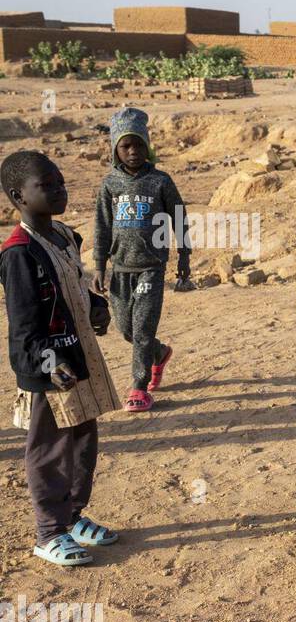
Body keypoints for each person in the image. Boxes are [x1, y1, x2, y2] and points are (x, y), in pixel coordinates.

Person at [2, 151, 121, 566]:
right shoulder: (19, 254)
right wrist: (46, 363)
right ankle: (49, 532)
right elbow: (22, 326)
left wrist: (94, 305)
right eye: (46, 186)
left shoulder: (65, 236)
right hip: (51, 369)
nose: (59, 190)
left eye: (61, 182)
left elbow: (72, 282)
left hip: (79, 356)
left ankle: (73, 518)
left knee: (83, 443)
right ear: (19, 196)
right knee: (50, 451)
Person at [92, 107, 190, 414]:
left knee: (143, 328)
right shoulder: (109, 185)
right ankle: (158, 354)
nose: (133, 151)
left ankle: (138, 385)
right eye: (125, 146)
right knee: (126, 329)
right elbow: (102, 225)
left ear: (148, 145)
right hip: (120, 269)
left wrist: (184, 255)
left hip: (151, 268)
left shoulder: (160, 181)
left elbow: (179, 218)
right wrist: (99, 265)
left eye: (138, 145)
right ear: (115, 150)